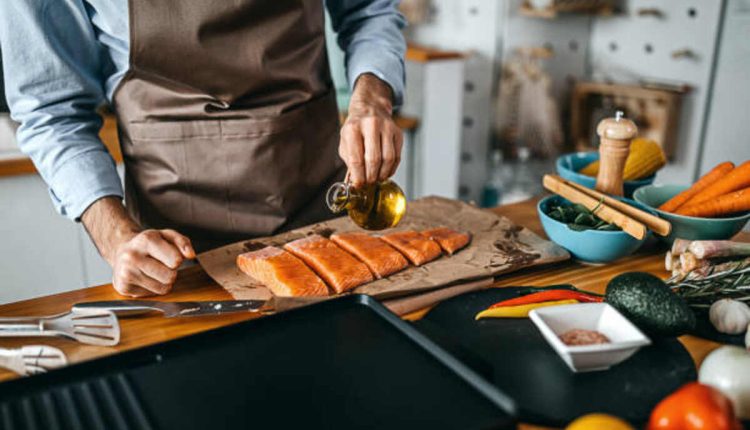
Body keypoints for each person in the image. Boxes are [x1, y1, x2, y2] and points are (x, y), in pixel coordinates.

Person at [0, 1, 406, 297]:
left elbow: (369, 11)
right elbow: (52, 110)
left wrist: (372, 95)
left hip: (321, 213)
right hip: (174, 250)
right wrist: (117, 237)